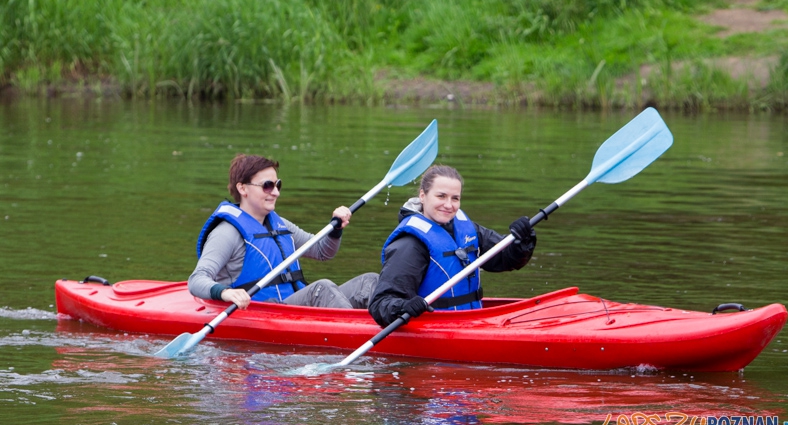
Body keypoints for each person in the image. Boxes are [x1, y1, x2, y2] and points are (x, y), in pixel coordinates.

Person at [188, 154, 378, 310]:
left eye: (277, 185)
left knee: (369, 282)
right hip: (263, 312)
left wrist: (335, 229)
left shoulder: (280, 225)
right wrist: (225, 292)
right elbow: (197, 280)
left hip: (293, 307)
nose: (276, 192)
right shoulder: (227, 233)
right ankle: (361, 336)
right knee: (323, 288)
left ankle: (391, 322)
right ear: (242, 188)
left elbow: (322, 251)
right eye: (267, 186)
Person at [368, 165, 537, 327]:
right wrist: (402, 307)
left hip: (472, 320)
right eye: (441, 196)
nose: (449, 205)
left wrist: (522, 240)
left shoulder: (465, 228)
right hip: (433, 326)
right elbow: (381, 303)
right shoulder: (410, 244)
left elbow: (505, 258)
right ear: (422, 196)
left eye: (455, 198)